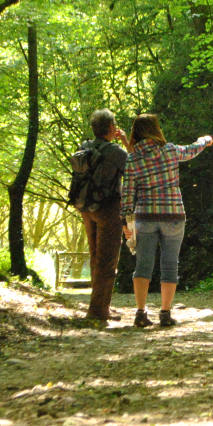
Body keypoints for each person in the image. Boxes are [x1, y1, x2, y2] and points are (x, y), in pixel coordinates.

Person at [121, 113, 212, 327]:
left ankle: (141, 313)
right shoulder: (170, 150)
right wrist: (205, 140)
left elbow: (127, 194)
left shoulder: (132, 158)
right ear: (155, 130)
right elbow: (191, 150)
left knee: (142, 266)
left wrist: (126, 223)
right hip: (173, 215)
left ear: (136, 132)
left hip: (145, 217)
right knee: (170, 265)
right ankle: (165, 313)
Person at [80, 108, 130, 322]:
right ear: (111, 128)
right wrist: (127, 143)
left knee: (95, 257)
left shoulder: (84, 147)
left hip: (85, 208)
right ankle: (98, 311)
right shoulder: (116, 151)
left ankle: (99, 306)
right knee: (107, 260)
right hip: (108, 209)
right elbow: (137, 169)